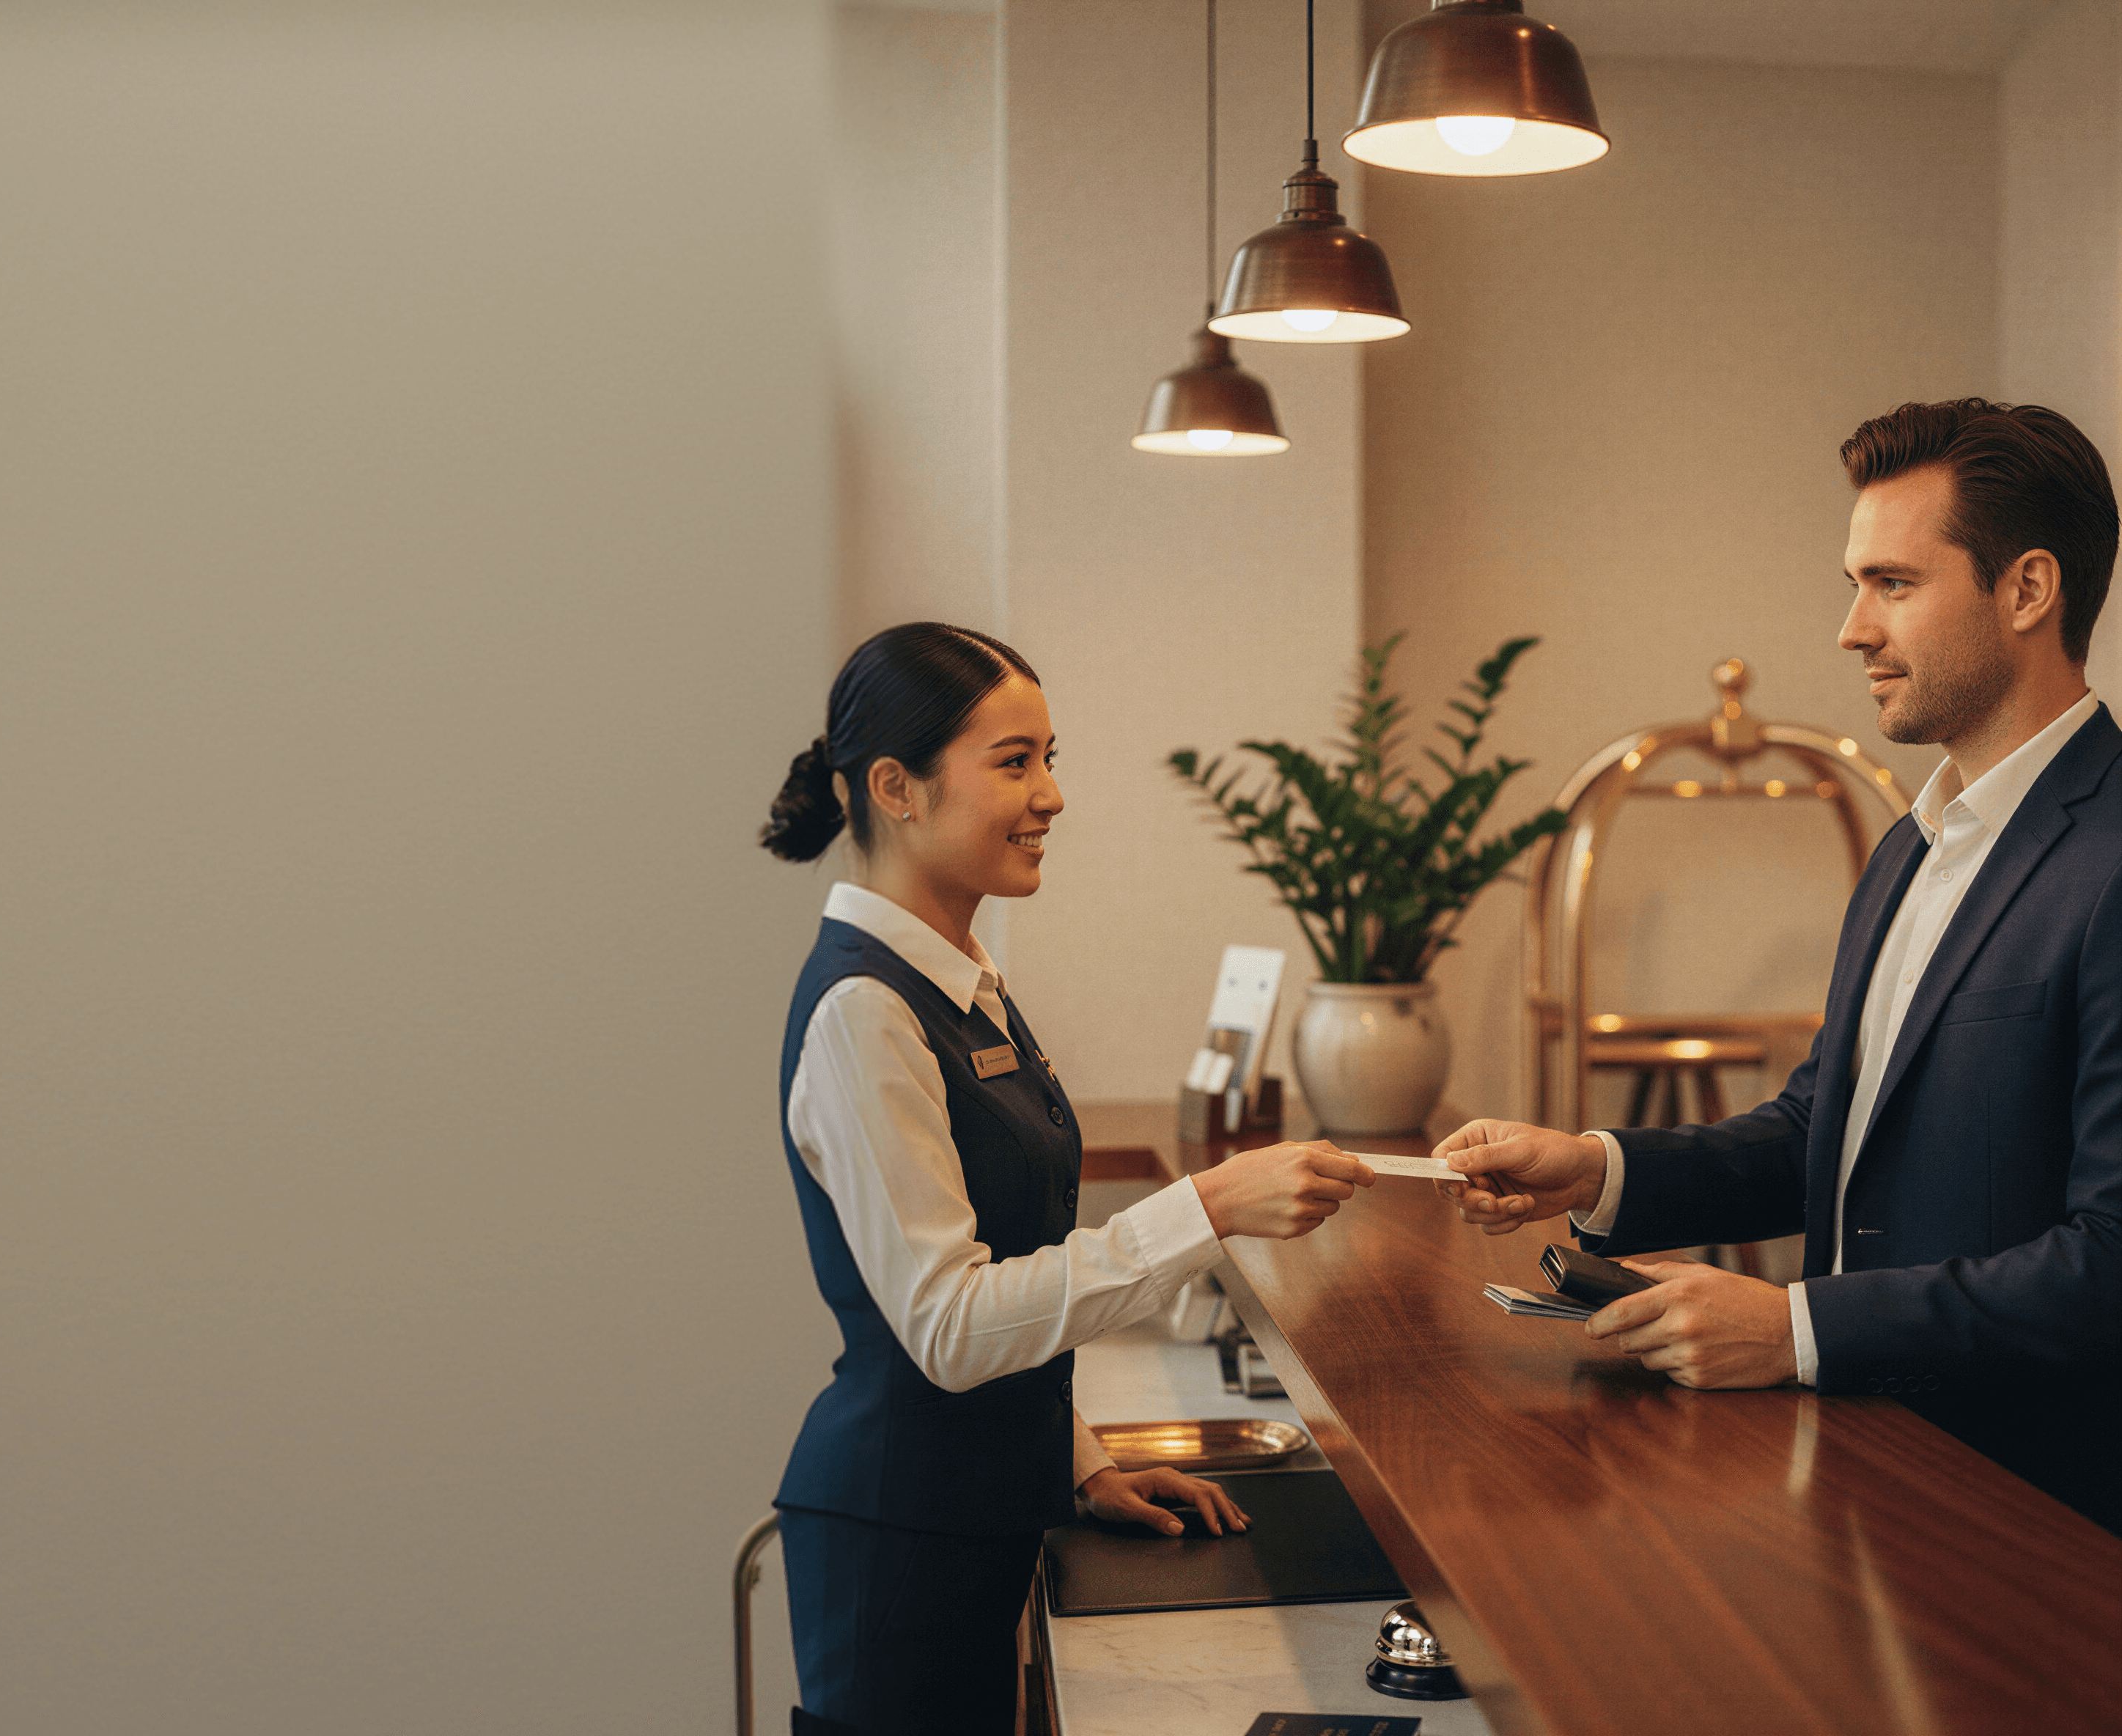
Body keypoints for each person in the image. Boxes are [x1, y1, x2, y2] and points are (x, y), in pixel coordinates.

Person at [1433, 399, 2122, 1535]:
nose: (1852, 629)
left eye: (1893, 584)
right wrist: (1596, 1169)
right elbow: (1827, 1129)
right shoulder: (1911, 846)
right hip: (1876, 1489)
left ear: (2029, 590)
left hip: (2044, 1522)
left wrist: (1796, 1328)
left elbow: (2110, 1266)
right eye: (1855, 585)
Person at [761, 622, 1375, 1736]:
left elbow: (996, 1267)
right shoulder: (868, 1011)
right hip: (901, 1540)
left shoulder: (961, 980)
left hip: (975, 1513)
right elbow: (947, 1324)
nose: (1050, 795)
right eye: (1014, 762)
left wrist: (1081, 1459)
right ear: (896, 787)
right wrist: (1210, 1208)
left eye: (1052, 759)